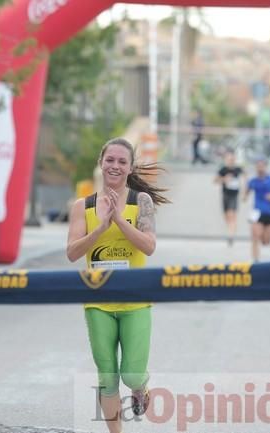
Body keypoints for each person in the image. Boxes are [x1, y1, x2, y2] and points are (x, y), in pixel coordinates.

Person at [66, 137, 169, 433]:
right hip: (98, 301)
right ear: (101, 162)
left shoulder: (141, 202)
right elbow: (73, 253)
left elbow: (149, 246)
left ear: (130, 167)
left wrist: (119, 221)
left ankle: (141, 388)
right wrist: (99, 227)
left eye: (122, 161)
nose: (115, 166)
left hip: (135, 301)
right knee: (107, 377)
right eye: (110, 160)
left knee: (132, 375)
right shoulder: (82, 206)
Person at [243, 157, 270, 262]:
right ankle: (255, 260)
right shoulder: (253, 181)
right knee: (255, 237)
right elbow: (245, 195)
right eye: (258, 166)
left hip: (269, 212)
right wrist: (245, 184)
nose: (260, 168)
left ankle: (263, 235)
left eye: (262, 166)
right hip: (257, 212)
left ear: (265, 167)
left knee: (267, 241)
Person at [214, 151, 244, 246]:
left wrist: (244, 190)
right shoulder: (223, 170)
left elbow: (245, 178)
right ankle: (231, 230)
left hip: (234, 196)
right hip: (225, 195)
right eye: (228, 159)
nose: (230, 161)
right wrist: (224, 179)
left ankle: (231, 236)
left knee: (232, 215)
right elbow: (215, 180)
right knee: (227, 217)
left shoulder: (238, 169)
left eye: (232, 159)